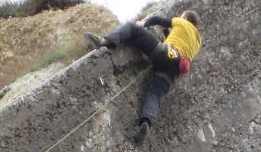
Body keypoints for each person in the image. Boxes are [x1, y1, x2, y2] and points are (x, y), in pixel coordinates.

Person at [84, 10, 202, 143]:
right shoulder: (197, 42)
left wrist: (144, 23)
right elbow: (179, 44)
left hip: (164, 54)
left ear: (186, 19)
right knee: (154, 95)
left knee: (131, 28)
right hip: (173, 70)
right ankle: (146, 122)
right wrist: (166, 33)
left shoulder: (182, 23)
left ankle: (103, 41)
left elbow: (158, 19)